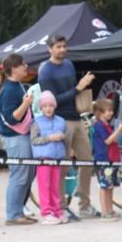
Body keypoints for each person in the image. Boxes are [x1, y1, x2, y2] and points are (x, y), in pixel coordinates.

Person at [37, 35, 98, 220]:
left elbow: (72, 94)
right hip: (59, 121)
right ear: (50, 49)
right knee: (61, 165)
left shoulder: (69, 65)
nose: (62, 49)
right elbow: (52, 100)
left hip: (77, 118)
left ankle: (84, 205)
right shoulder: (45, 72)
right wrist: (79, 88)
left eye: (64, 46)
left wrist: (79, 91)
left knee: (87, 161)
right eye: (58, 46)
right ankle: (61, 206)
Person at [0, 53, 37, 226]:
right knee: (19, 174)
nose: (26, 67)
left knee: (27, 173)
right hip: (14, 137)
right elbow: (12, 118)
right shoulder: (8, 90)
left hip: (20, 136)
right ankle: (13, 214)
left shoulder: (16, 85)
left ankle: (18, 210)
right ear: (14, 69)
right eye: (22, 65)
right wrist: (26, 104)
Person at [30, 90, 67, 225]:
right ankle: (46, 212)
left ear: (55, 106)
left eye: (51, 105)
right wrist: (49, 138)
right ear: (41, 107)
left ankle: (57, 211)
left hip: (57, 159)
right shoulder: (36, 122)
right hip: (43, 160)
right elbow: (33, 140)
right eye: (45, 106)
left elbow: (65, 135)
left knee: (55, 186)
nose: (48, 108)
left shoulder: (61, 121)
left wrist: (63, 137)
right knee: (44, 186)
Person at [90, 97, 122, 221]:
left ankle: (110, 210)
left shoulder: (106, 125)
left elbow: (113, 139)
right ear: (99, 112)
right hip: (104, 160)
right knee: (105, 186)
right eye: (108, 110)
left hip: (111, 160)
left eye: (111, 110)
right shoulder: (99, 125)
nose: (111, 113)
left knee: (110, 186)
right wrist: (120, 129)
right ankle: (105, 212)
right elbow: (108, 140)